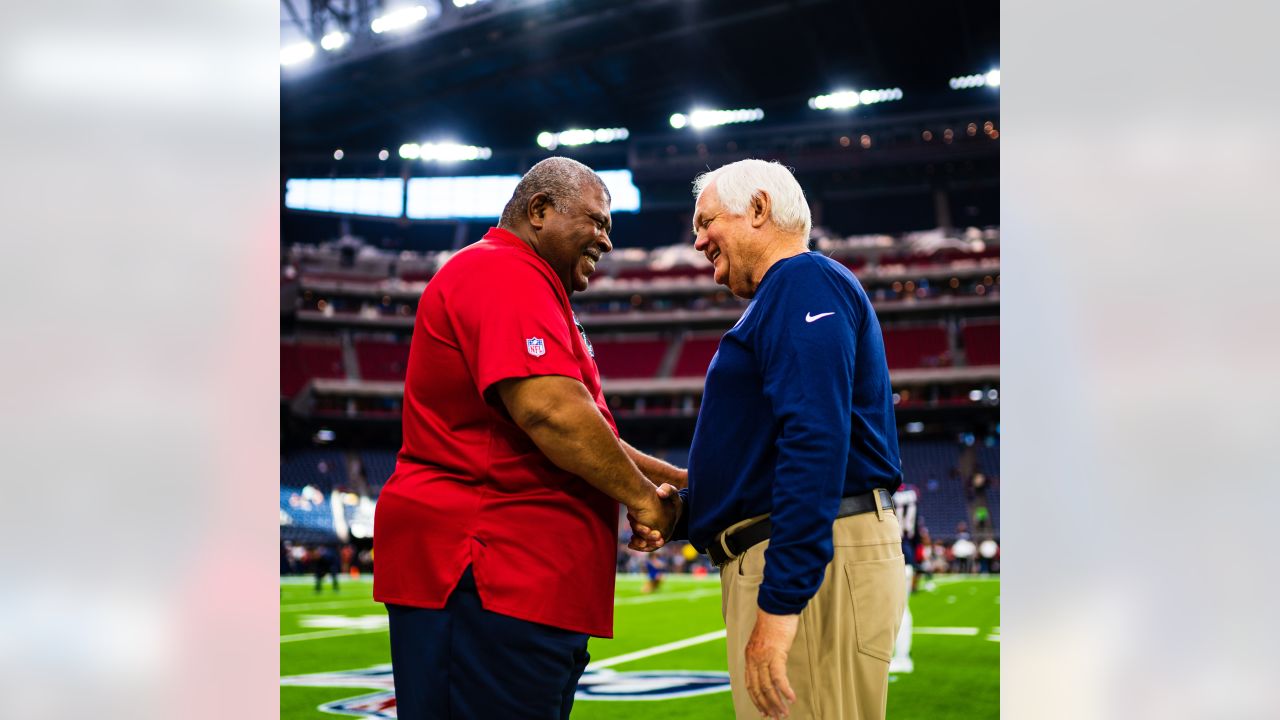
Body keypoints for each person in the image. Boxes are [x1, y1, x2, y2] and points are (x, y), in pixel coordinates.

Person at [373, 157, 684, 720]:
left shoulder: (530, 284)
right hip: (487, 574)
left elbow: (593, 432)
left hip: (521, 582)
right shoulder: (502, 271)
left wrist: (677, 484)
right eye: (596, 221)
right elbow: (552, 414)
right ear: (539, 211)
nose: (607, 241)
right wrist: (645, 500)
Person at [632, 159, 906, 720]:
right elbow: (768, 460)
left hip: (810, 559)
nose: (698, 240)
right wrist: (684, 514)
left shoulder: (802, 279)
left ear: (758, 209)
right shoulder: (790, 291)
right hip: (796, 552)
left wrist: (781, 607)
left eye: (707, 221)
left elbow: (815, 439)